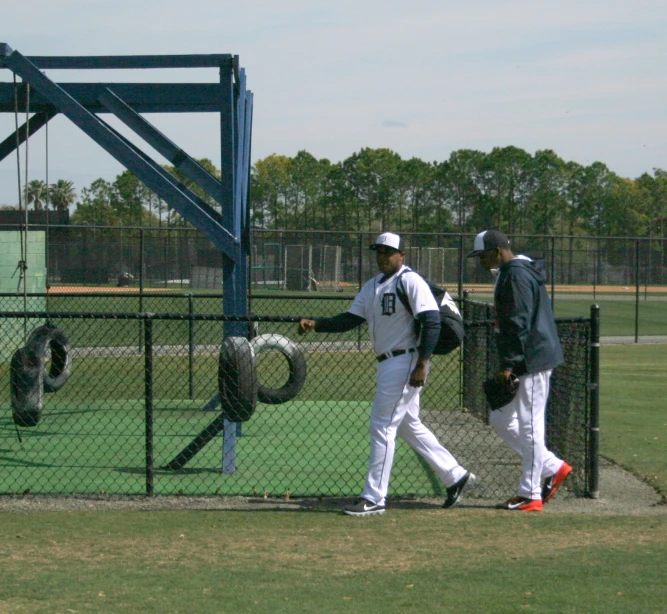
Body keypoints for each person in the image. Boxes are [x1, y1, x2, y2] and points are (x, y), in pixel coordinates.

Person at [299, 232, 475, 517]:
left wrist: (423, 363)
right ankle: (454, 475)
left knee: (382, 427)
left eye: (388, 252)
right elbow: (350, 319)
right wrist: (316, 324)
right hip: (389, 362)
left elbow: (431, 321)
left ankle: (374, 497)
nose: (382, 256)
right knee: (407, 425)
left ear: (401, 255)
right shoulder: (372, 286)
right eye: (378, 251)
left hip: (405, 360)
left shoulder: (410, 280)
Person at [468, 230, 572, 512]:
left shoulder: (515, 274)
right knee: (501, 418)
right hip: (528, 357)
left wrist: (508, 364)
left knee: (530, 425)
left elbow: (518, 322)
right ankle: (552, 467)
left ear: (499, 249)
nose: (480, 260)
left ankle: (530, 494)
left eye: (484, 254)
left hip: (532, 359)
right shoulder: (514, 270)